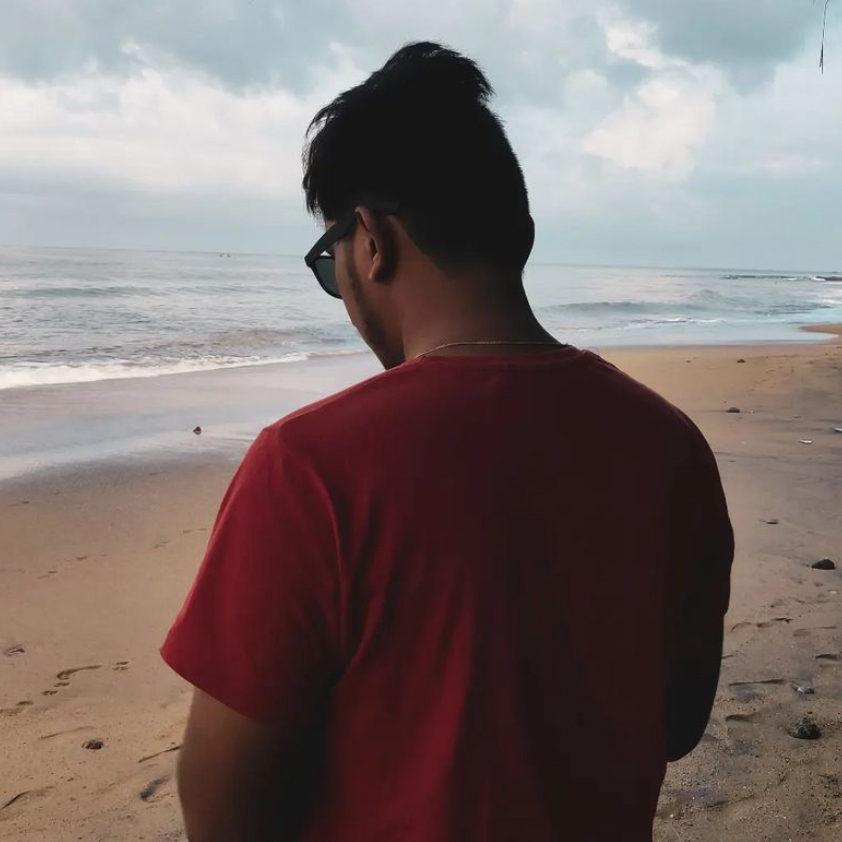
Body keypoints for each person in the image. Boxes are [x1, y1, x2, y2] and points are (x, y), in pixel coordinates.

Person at [161, 42, 734, 842]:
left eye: (330, 262)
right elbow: (677, 724)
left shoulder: (310, 469)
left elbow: (221, 806)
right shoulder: (671, 448)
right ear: (519, 235)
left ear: (371, 242)